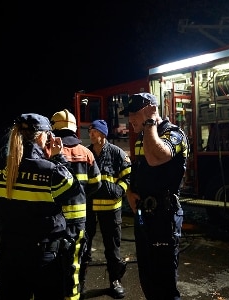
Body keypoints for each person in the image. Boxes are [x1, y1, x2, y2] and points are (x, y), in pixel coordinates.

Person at [0, 113, 85, 300]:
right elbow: (74, 191)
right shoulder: (50, 171)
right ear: (43, 136)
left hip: (10, 254)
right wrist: (59, 159)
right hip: (44, 256)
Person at [125, 93, 189, 300]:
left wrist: (150, 121)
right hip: (144, 213)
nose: (130, 119)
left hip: (164, 215)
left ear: (149, 110)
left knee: (164, 282)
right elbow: (139, 169)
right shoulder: (143, 137)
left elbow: (154, 159)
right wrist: (129, 191)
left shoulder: (174, 134)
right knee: (148, 276)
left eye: (134, 113)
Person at [50, 109, 102, 299]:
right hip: (79, 219)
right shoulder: (86, 153)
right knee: (74, 265)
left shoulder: (49, 152)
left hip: (55, 220)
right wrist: (80, 196)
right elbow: (97, 184)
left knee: (52, 266)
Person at [80, 119, 131, 299]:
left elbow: (128, 176)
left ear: (103, 134)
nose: (90, 133)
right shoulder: (85, 153)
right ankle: (80, 283)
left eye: (94, 131)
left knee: (112, 247)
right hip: (88, 208)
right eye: (90, 131)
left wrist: (119, 191)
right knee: (84, 247)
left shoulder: (117, 153)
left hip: (111, 209)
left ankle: (115, 281)